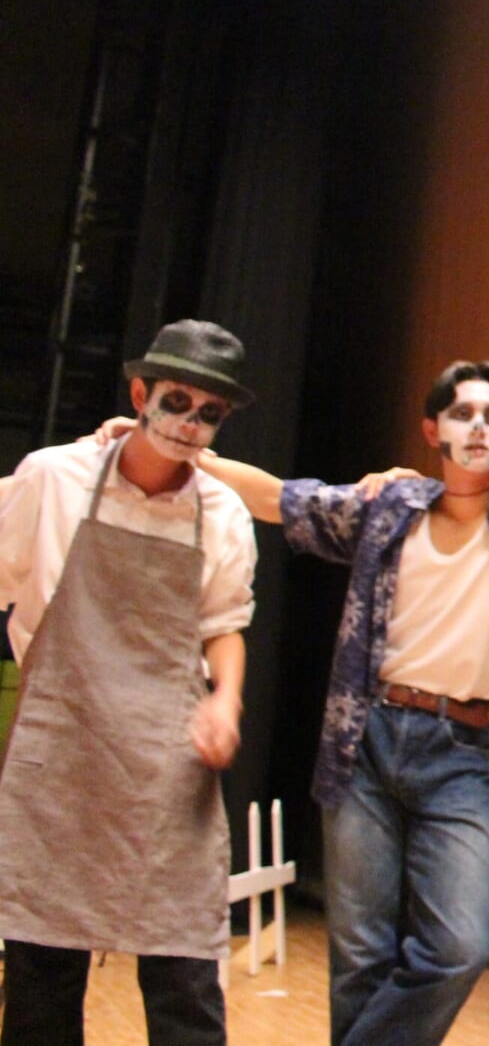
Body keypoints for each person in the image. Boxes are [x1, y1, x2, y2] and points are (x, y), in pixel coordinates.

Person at [198, 359, 489, 1046]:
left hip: (459, 751)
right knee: (361, 953)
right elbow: (280, 499)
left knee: (462, 943)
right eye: (462, 413)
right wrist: (181, 448)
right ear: (433, 429)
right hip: (362, 738)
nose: (478, 428)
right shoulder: (389, 508)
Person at [0, 319, 259, 1045]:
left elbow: (224, 623)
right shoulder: (54, 478)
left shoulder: (223, 514)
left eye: (210, 412)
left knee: (185, 986)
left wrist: (226, 700)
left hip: (164, 766)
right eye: (178, 401)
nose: (190, 423)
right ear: (140, 394)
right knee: (41, 985)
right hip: (60, 762)